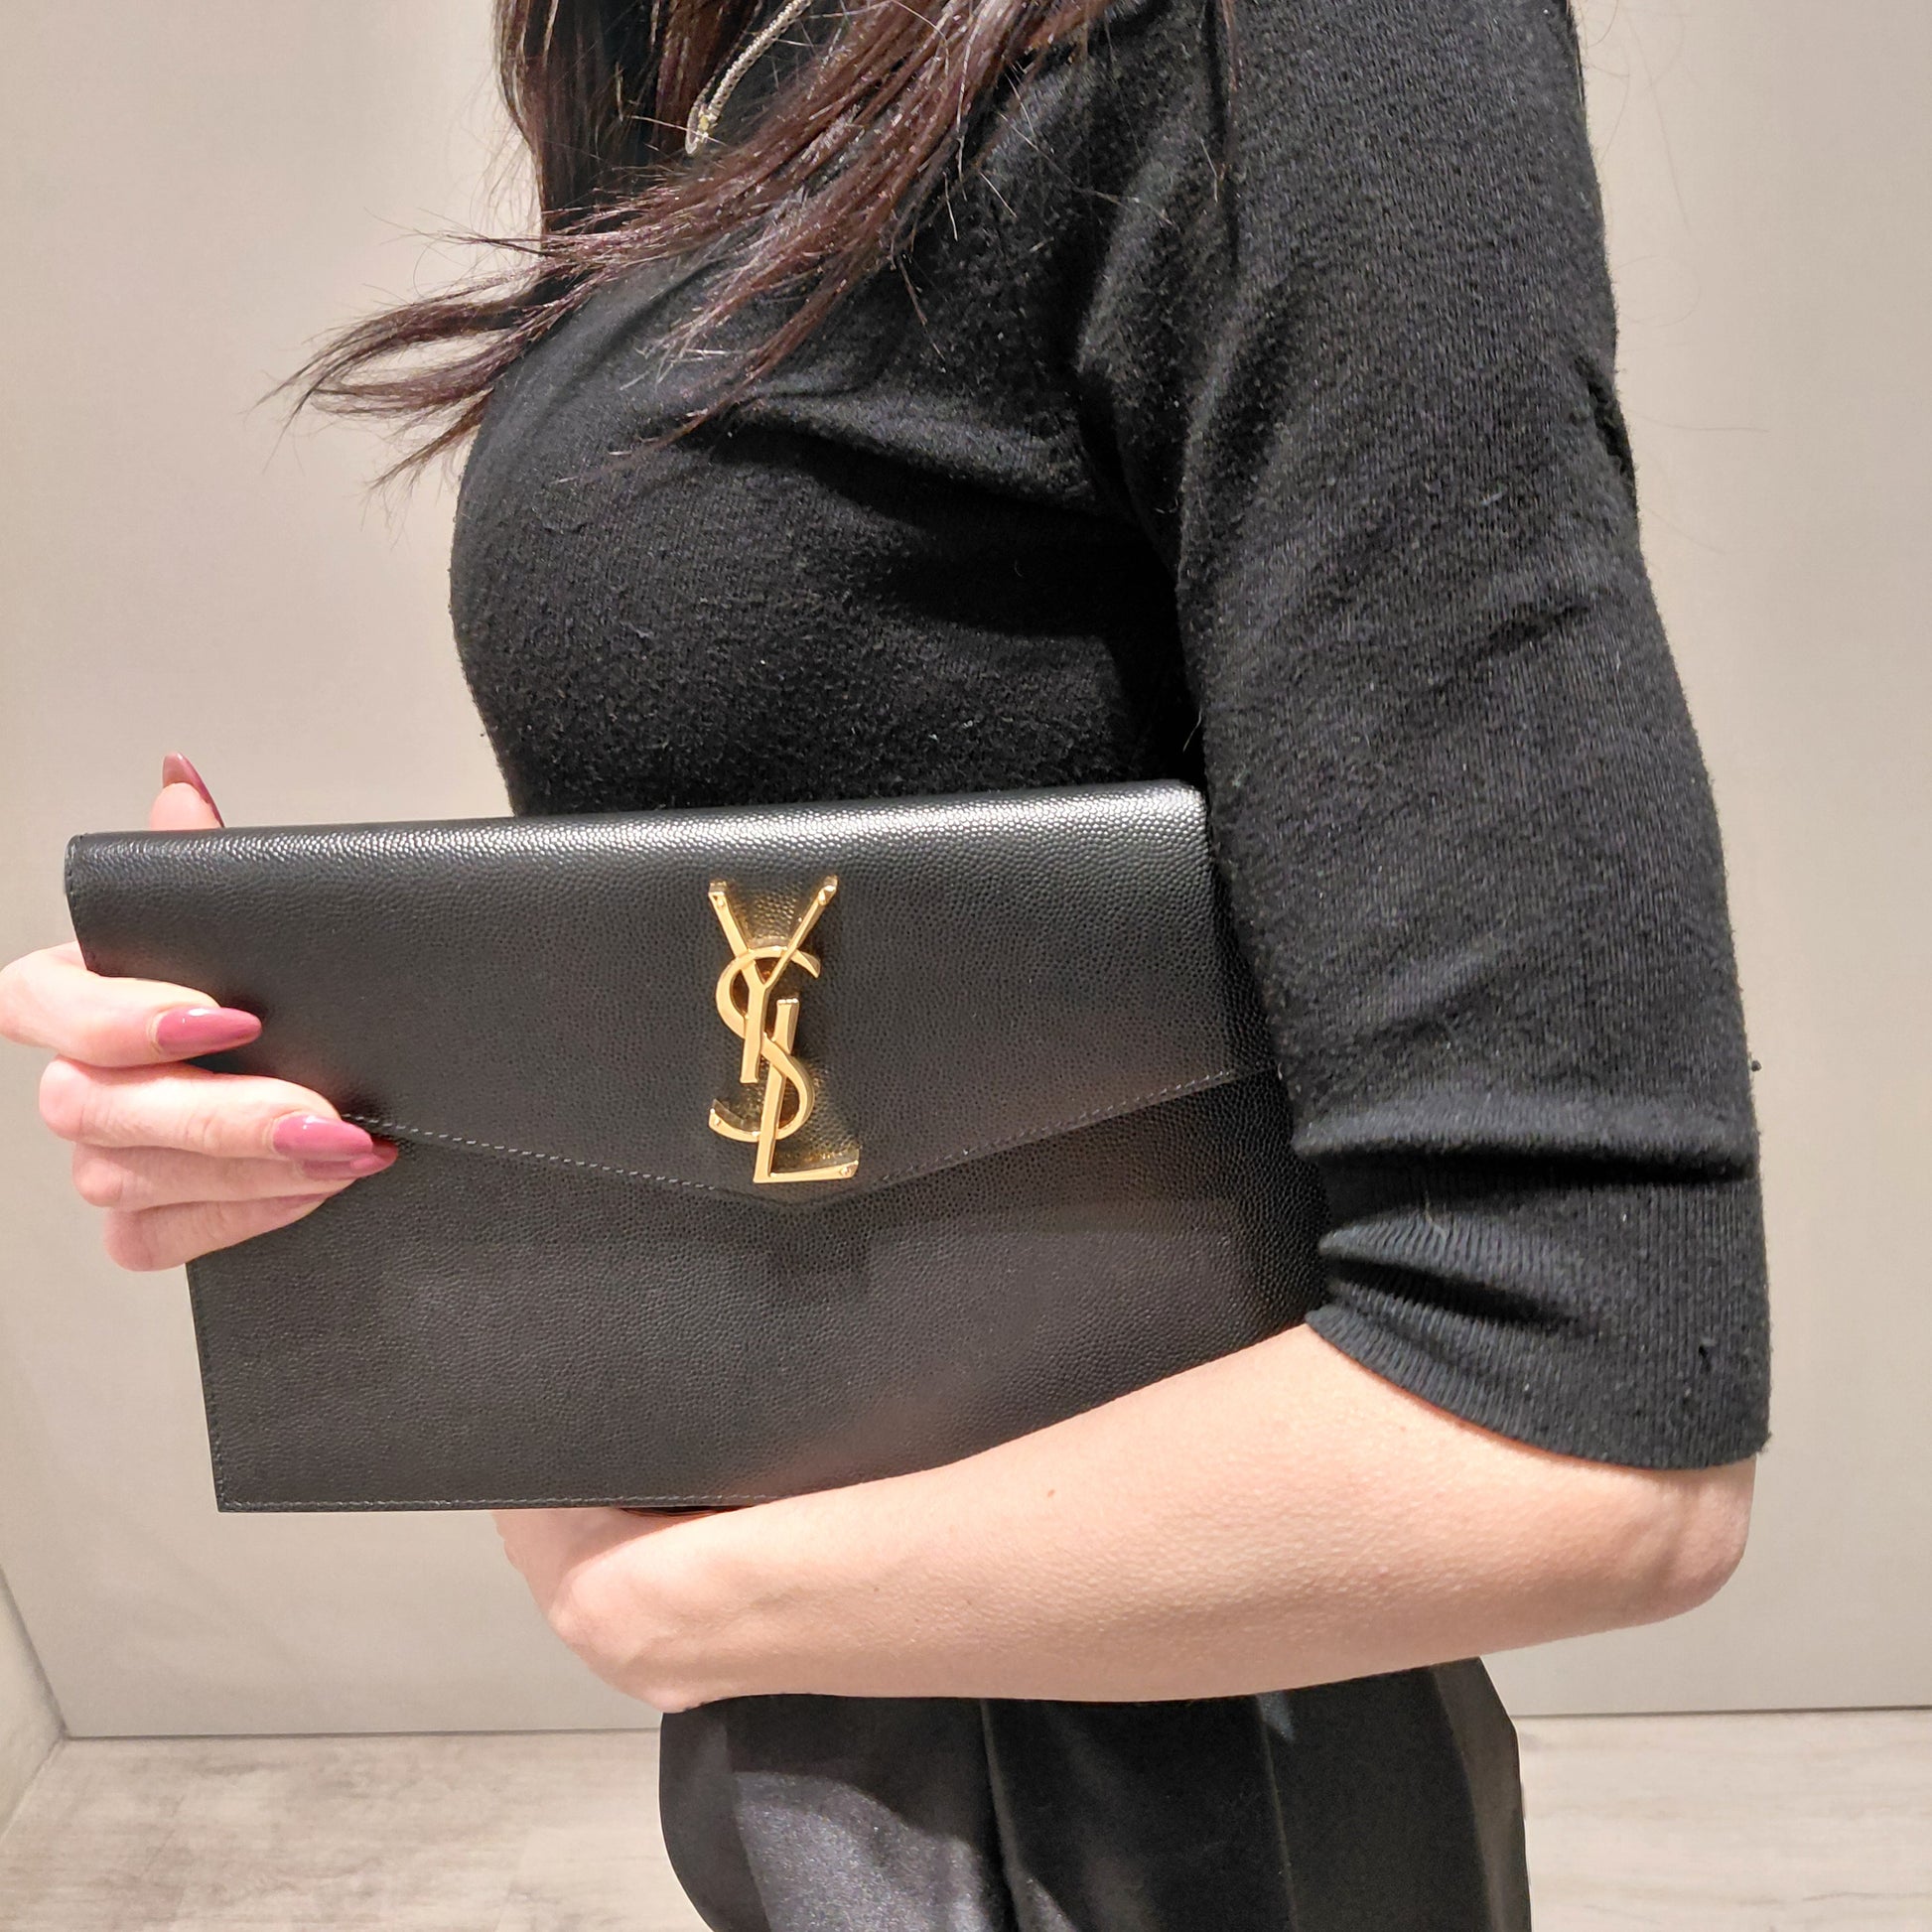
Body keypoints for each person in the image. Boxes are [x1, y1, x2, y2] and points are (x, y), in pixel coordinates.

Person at [0, 0, 1771, 1924]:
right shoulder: (676, 38)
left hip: (1156, 1811)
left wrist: (677, 1599)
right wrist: (339, 1102)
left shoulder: (1297, 44)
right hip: (829, 1757)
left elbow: (1580, 1419)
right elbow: (793, 943)